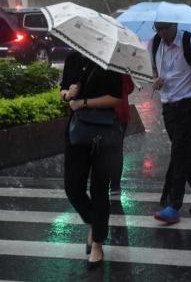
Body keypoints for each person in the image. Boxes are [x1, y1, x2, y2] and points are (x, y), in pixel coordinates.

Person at [60, 51, 123, 269]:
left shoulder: (110, 60)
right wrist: (69, 94)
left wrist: (84, 102)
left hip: (104, 135)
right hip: (78, 132)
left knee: (99, 190)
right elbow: (63, 91)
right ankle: (93, 222)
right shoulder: (73, 58)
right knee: (72, 187)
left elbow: (116, 97)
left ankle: (97, 243)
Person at [150, 22, 191, 224]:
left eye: (165, 28)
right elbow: (154, 72)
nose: (162, 33)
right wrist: (156, 81)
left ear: (174, 24)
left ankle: (172, 205)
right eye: (158, 28)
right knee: (184, 151)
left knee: (178, 152)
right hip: (169, 106)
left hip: (188, 103)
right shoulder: (155, 43)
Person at [110, 74, 135, 196]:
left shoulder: (99, 66)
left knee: (107, 150)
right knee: (117, 150)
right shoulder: (121, 66)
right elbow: (130, 88)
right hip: (121, 113)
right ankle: (115, 185)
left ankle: (107, 182)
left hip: (107, 114)